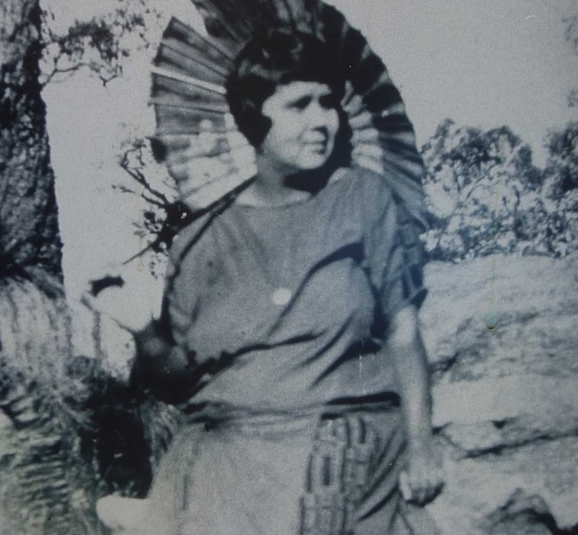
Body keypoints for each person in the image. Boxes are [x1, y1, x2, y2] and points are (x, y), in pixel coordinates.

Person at [85, 27, 444, 535]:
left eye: (328, 103)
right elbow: (176, 382)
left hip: (342, 445)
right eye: (299, 105)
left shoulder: (363, 199)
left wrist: (421, 443)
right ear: (254, 117)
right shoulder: (200, 242)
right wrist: (141, 327)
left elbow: (404, 331)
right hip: (226, 464)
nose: (323, 121)